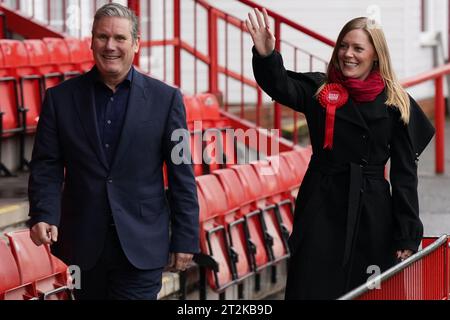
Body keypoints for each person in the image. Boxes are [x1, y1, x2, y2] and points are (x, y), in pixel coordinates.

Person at [246, 8, 435, 299]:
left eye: (358, 48)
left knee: (367, 290)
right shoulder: (320, 89)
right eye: (343, 46)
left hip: (373, 212)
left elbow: (404, 175)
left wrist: (407, 233)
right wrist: (267, 56)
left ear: (375, 55)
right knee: (312, 285)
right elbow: (281, 85)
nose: (348, 54)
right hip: (321, 204)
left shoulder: (396, 102)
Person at [27, 3, 199, 300]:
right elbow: (46, 165)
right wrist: (44, 213)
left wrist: (185, 237)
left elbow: (181, 173)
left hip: (142, 247)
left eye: (119, 38)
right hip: (81, 247)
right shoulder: (59, 99)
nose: (110, 46)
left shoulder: (167, 100)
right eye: (102, 37)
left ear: (135, 44)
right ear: (91, 41)